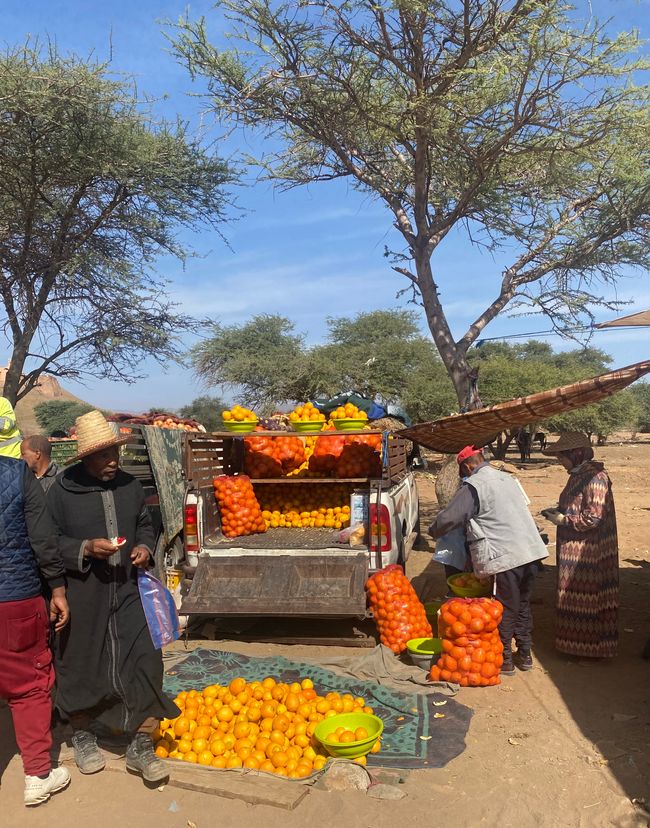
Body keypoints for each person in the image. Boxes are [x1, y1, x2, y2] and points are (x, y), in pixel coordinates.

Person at [46, 410, 179, 783]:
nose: (112, 462)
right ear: (85, 457)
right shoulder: (62, 492)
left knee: (146, 660)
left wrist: (143, 547)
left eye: (114, 454)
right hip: (84, 593)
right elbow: (49, 540)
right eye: (104, 456)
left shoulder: (130, 486)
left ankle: (141, 744)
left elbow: (144, 523)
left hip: (129, 587)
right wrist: (85, 548)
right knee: (81, 663)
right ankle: (83, 734)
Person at [429, 445, 548, 674]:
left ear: (467, 466)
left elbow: (452, 516)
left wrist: (434, 530)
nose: (464, 476)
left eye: (463, 472)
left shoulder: (475, 484)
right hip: (530, 552)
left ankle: (504, 659)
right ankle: (525, 655)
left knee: (502, 608)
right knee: (522, 604)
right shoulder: (507, 478)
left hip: (506, 557)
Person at [0, 453, 71, 806]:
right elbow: (43, 539)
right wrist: (57, 589)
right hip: (15, 601)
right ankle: (39, 775)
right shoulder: (16, 473)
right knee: (28, 686)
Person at [541, 432, 618, 659]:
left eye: (561, 457)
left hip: (589, 551)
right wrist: (559, 510)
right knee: (573, 595)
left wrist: (564, 520)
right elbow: (577, 504)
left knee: (588, 598)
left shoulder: (596, 478)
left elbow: (594, 517)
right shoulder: (577, 475)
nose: (560, 462)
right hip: (574, 547)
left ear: (576, 454)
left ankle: (589, 650)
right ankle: (572, 646)